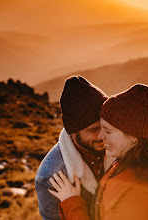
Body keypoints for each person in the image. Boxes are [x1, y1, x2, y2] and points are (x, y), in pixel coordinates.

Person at [49, 84, 148, 220]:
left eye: (108, 131)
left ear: (134, 136)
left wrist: (71, 202)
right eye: (99, 128)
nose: (101, 136)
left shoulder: (135, 188)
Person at [35, 76, 115, 220]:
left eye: (106, 126)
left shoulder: (120, 146)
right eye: (93, 129)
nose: (103, 135)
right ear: (72, 131)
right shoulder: (50, 177)